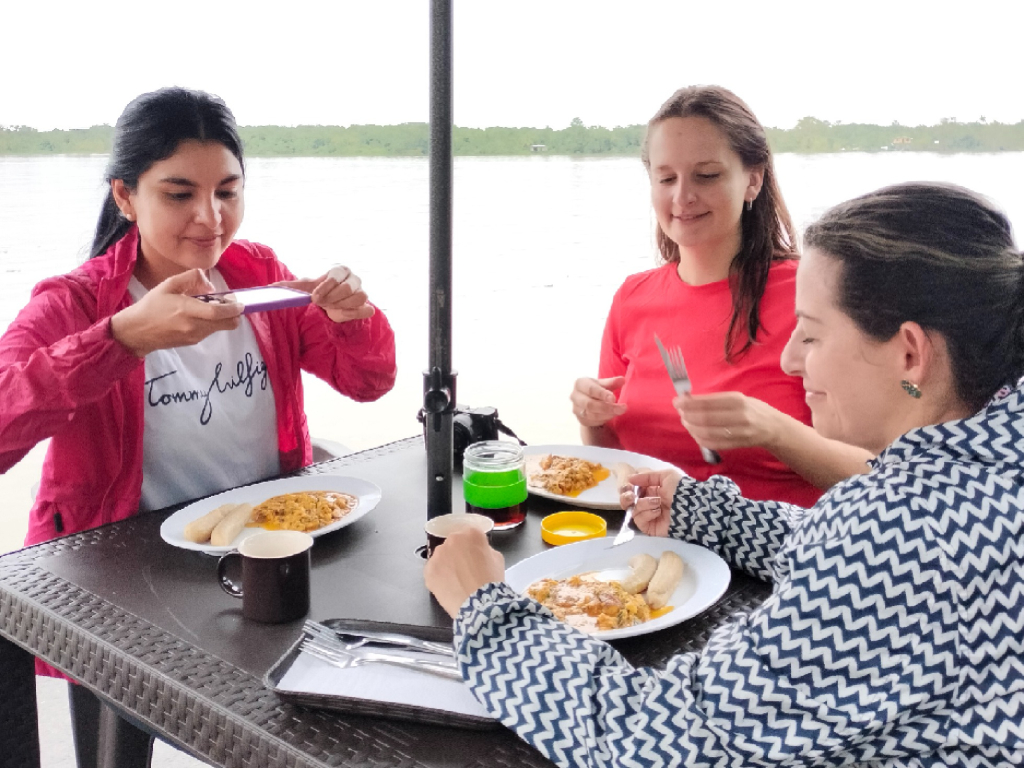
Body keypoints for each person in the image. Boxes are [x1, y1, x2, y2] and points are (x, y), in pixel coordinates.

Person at [427, 182, 1024, 768]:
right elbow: (842, 555)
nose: (791, 359)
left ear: (911, 353)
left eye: (812, 334)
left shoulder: (904, 528)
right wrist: (705, 512)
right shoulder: (983, 469)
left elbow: (660, 739)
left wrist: (487, 612)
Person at [0, 88, 396, 652]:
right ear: (125, 196)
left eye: (227, 192)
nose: (210, 219)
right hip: (124, 582)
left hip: (264, 552)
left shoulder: (257, 275)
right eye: (179, 193)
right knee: (119, 734)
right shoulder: (74, 305)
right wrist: (122, 339)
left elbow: (369, 381)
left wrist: (351, 318)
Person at [570, 85, 870, 507]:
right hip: (659, 548)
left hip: (785, 554)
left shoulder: (817, 293)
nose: (682, 197)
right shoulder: (632, 298)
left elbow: (878, 472)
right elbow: (615, 465)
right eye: (666, 178)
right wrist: (593, 421)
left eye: (706, 175)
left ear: (753, 179)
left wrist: (774, 430)